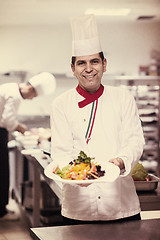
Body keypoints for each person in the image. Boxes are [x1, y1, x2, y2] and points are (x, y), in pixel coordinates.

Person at [50, 15, 145, 224]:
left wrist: (121, 160)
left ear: (104, 64)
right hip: (78, 208)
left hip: (121, 205)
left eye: (94, 61)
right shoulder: (61, 104)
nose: (89, 68)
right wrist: (76, 175)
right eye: (81, 63)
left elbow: (135, 140)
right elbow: (61, 152)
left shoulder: (123, 97)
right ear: (72, 68)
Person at [0, 72, 56, 220]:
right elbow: (7, 121)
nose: (31, 99)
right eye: (34, 96)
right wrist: (22, 128)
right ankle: (1, 212)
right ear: (31, 89)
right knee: (2, 171)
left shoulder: (10, 88)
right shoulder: (15, 95)